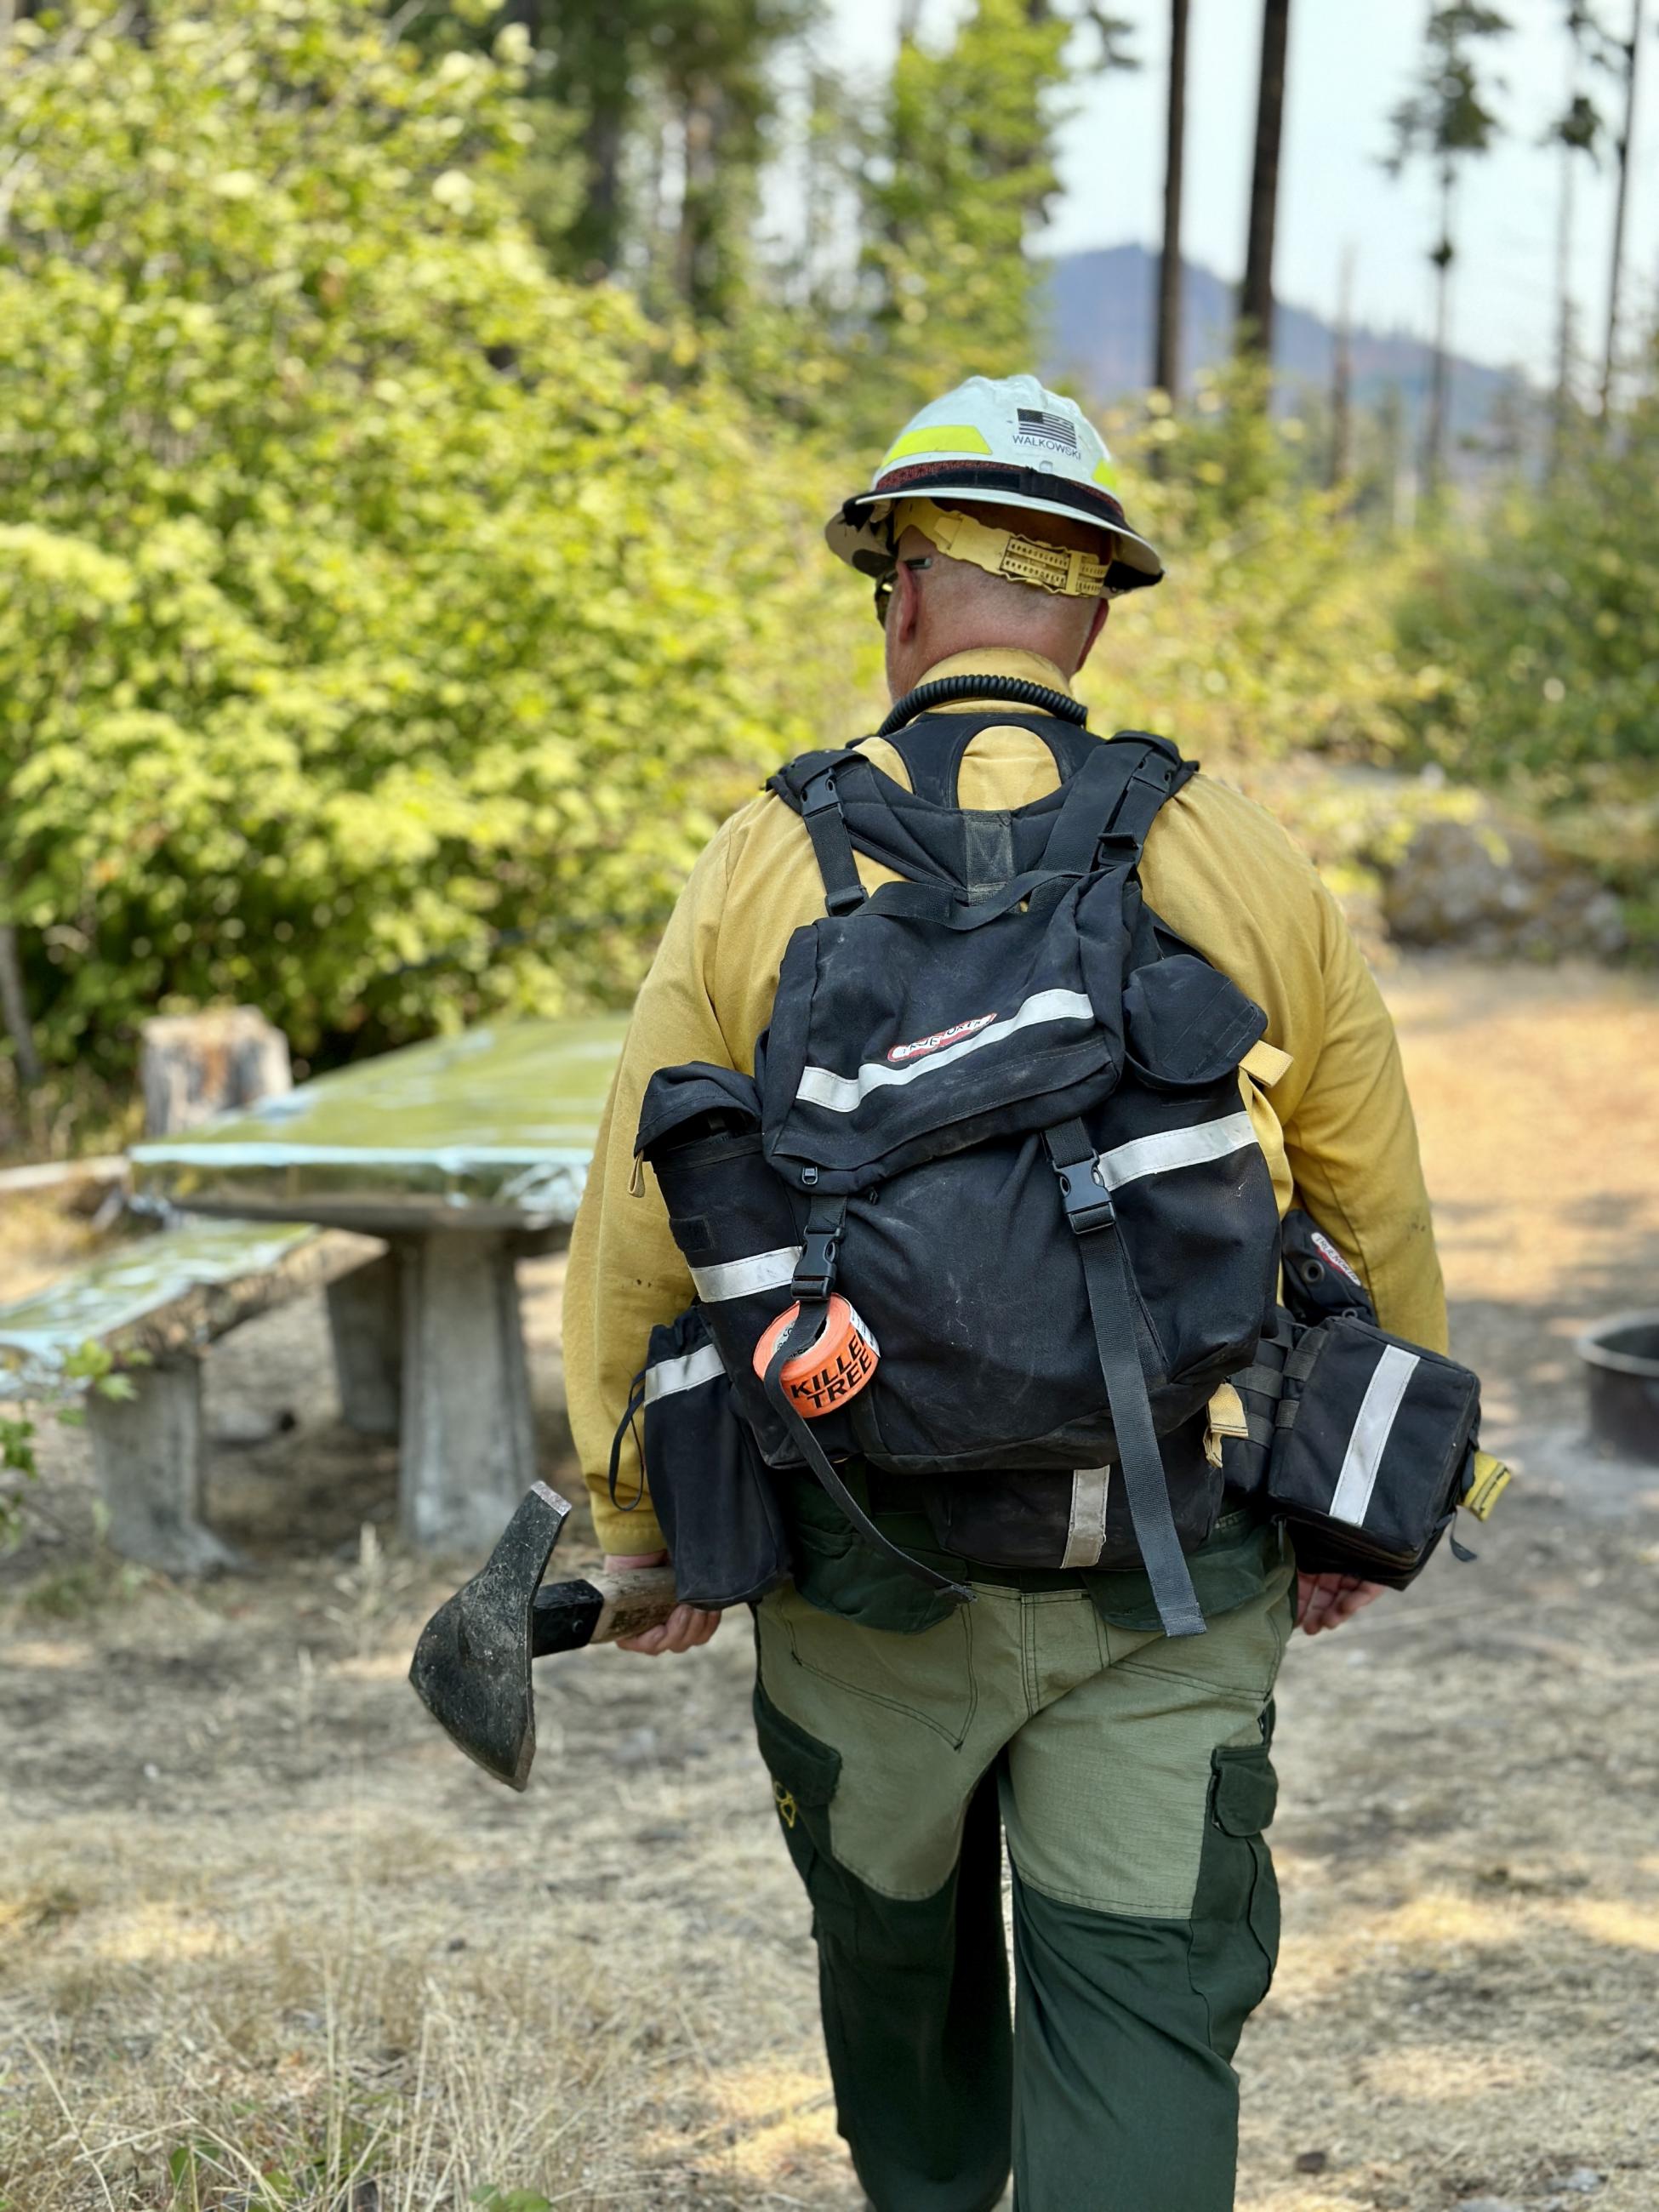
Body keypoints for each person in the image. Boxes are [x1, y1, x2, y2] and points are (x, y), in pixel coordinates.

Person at [563, 373, 1445, 2211]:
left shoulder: (760, 863)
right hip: (1174, 1569)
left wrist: (647, 1518)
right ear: (1097, 610)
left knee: (898, 1989)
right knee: (1139, 2017)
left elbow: (639, 1219)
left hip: (855, 1555)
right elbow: (1374, 1194)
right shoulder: (1242, 858)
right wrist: (1376, 1505)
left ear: (897, 593)